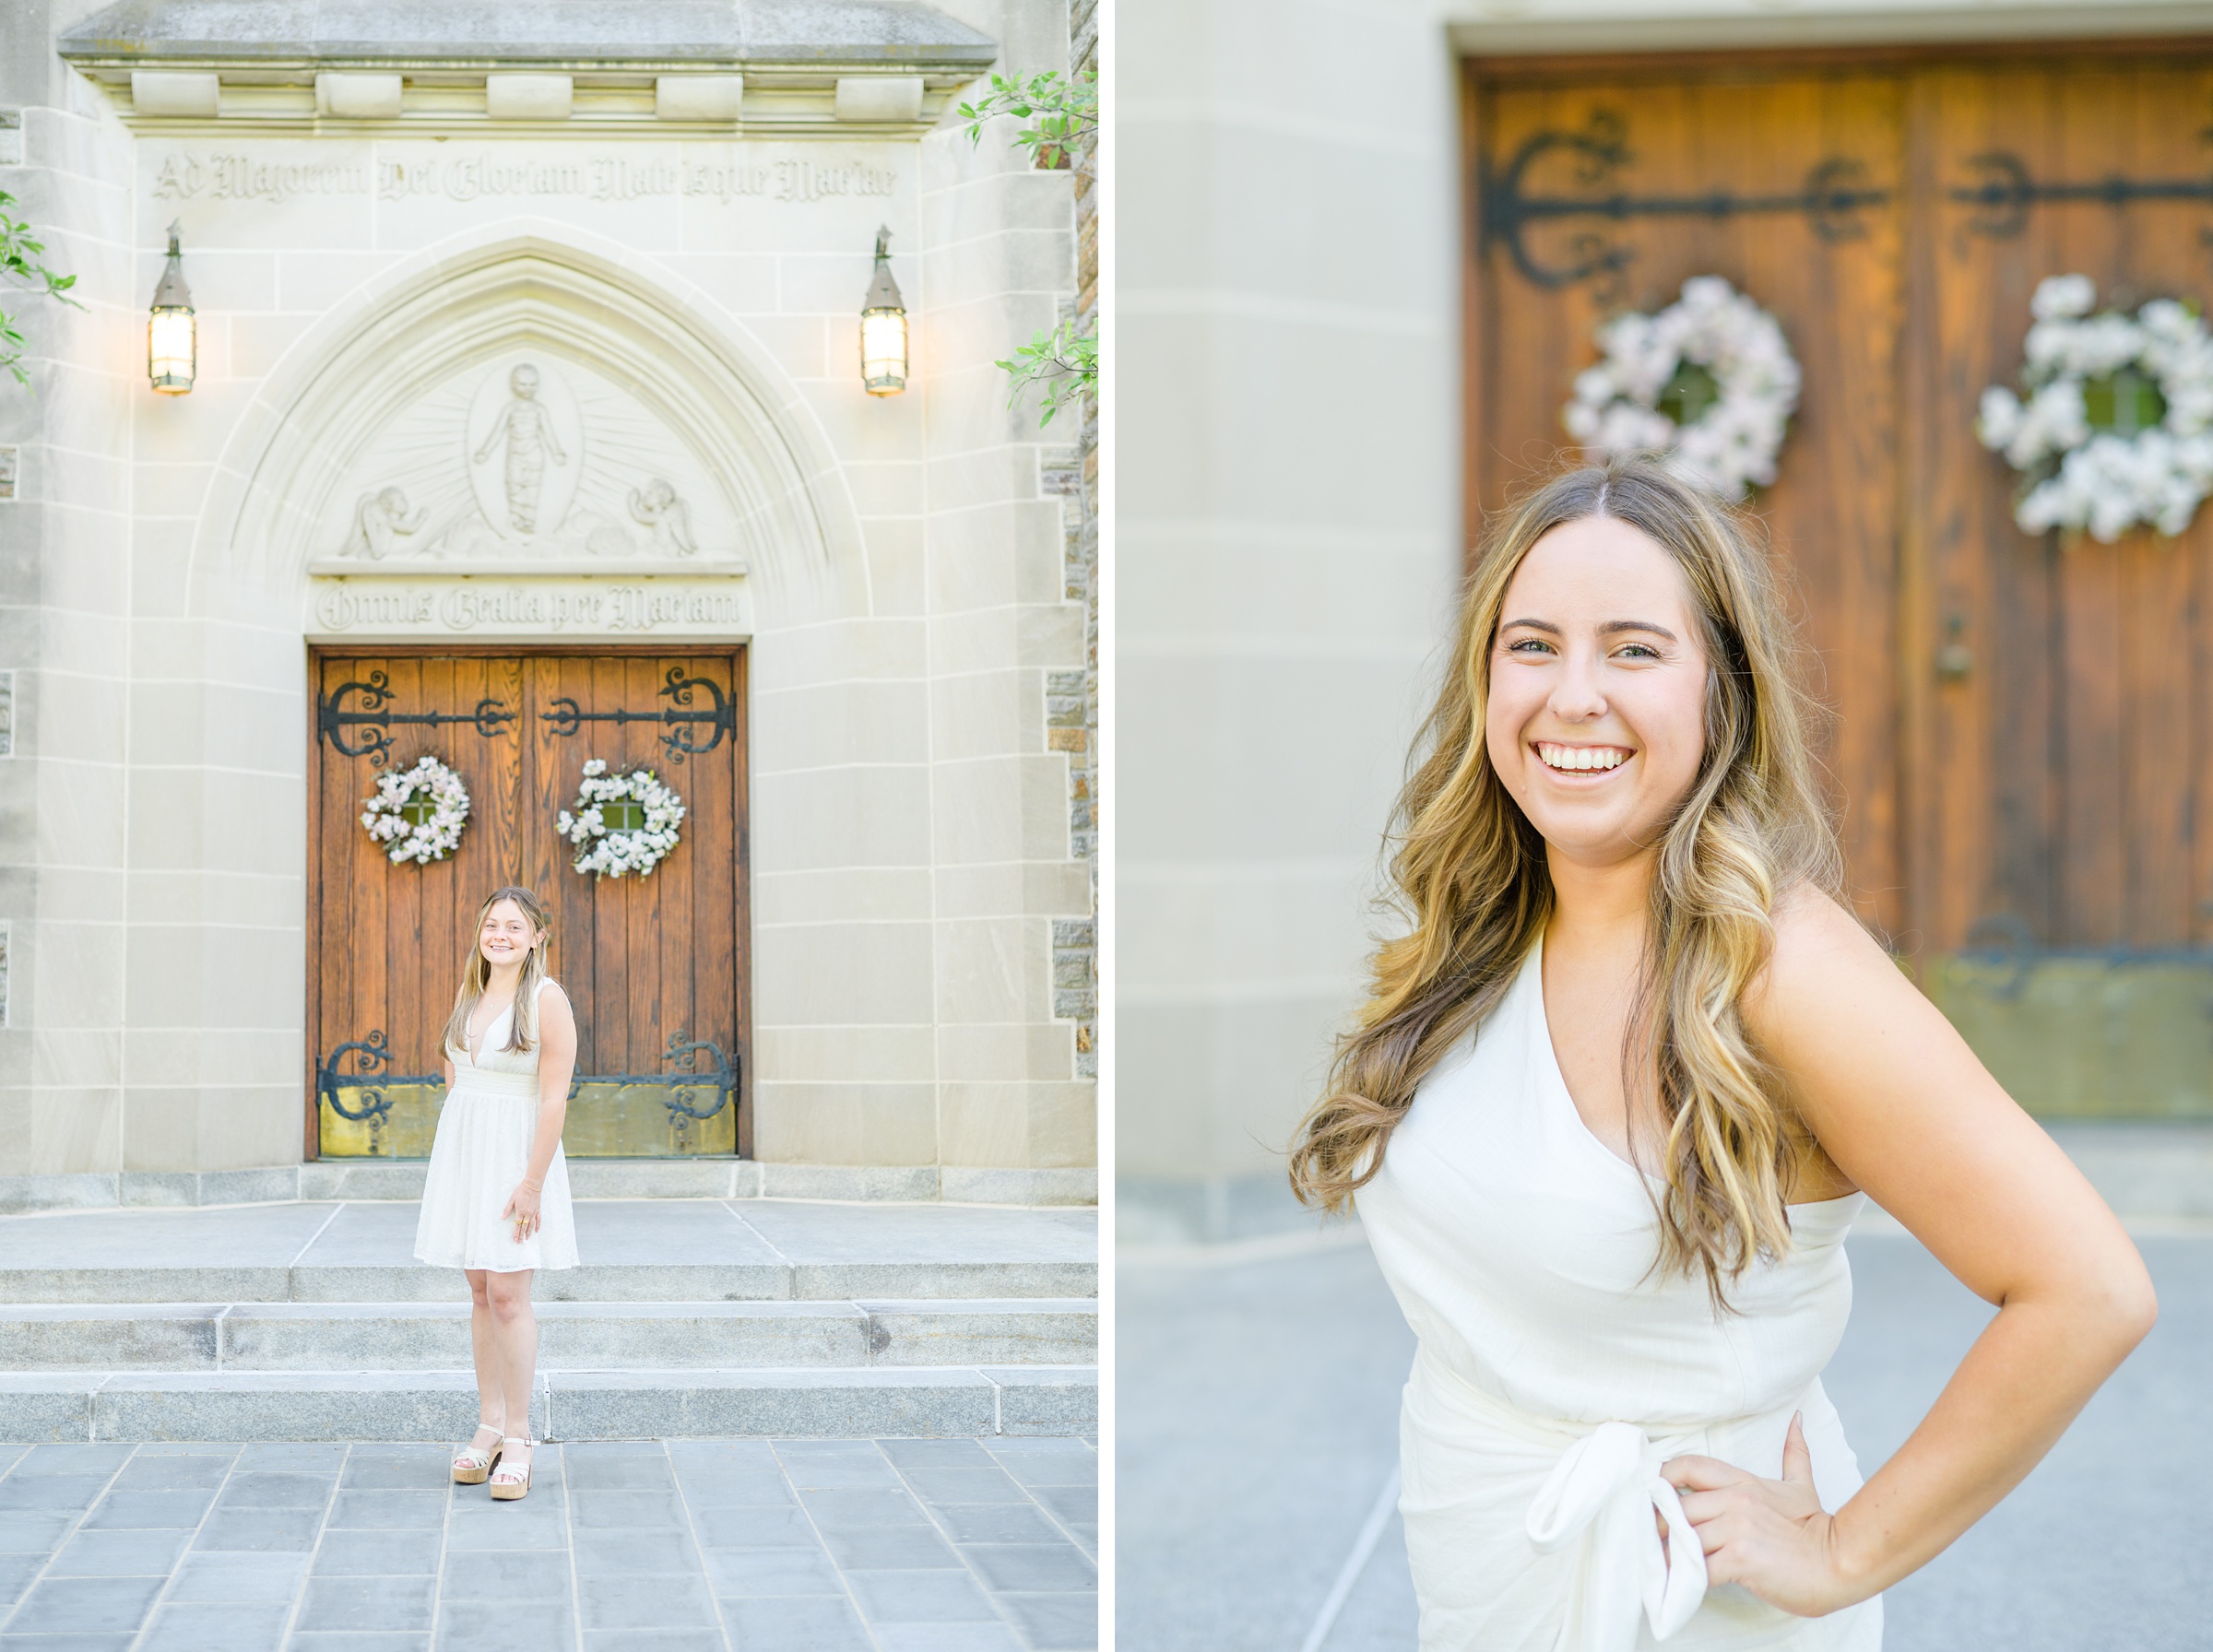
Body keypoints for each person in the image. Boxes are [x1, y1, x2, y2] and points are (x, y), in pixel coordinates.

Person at [1287, 455, 2155, 1650]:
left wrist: (1845, 1550)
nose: (1572, 696)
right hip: (1485, 1576)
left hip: (1692, 1610)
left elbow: (2090, 1289)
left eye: (1634, 651)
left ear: (1722, 692)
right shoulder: (1484, 927)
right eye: (1531, 645)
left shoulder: (1782, 970)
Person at [413, 884, 580, 1501]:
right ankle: (486, 1425)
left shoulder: (545, 999)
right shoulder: (473, 995)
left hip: (516, 1158)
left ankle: (519, 1436)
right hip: (468, 1157)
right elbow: (456, 1070)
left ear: (537, 936)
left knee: (509, 1292)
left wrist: (531, 1183)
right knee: (480, 1290)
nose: (500, 935)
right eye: (491, 926)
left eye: (514, 926)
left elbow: (555, 1096)